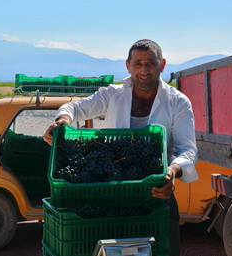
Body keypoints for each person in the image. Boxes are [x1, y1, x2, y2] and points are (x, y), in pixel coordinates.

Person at [43, 39, 198, 256]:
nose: (144, 70)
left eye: (151, 63)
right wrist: (62, 120)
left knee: (164, 249)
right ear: (128, 66)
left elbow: (188, 150)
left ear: (162, 65)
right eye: (138, 63)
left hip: (156, 192)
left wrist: (172, 172)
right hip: (114, 190)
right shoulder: (112, 94)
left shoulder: (178, 102)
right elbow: (74, 108)